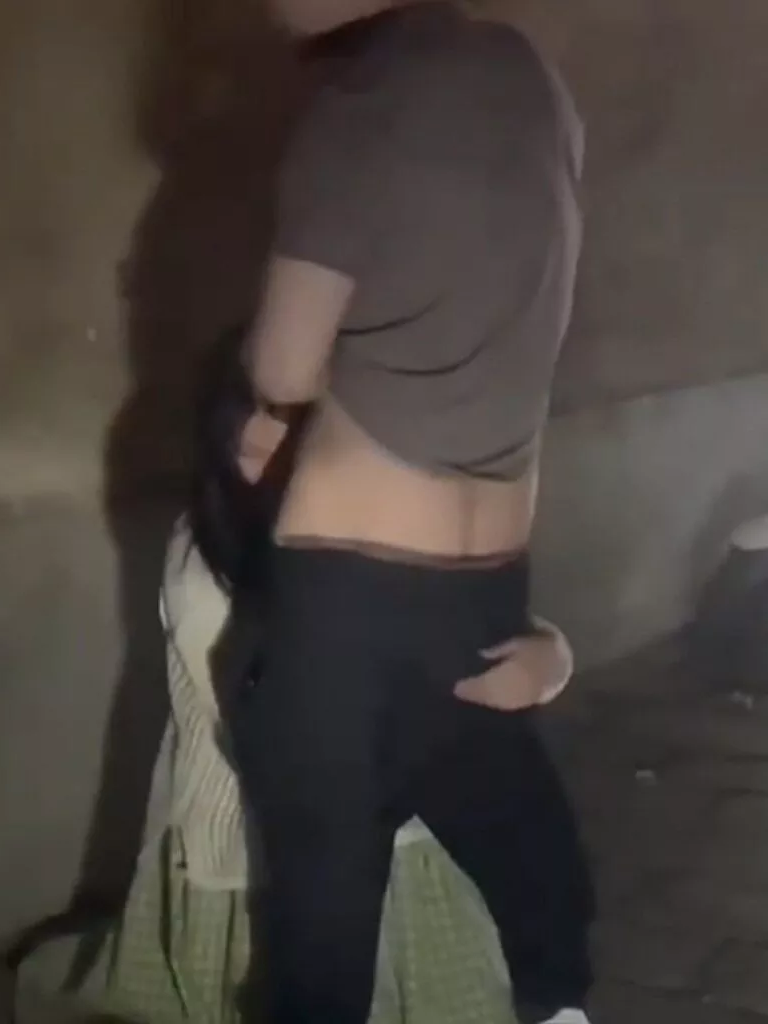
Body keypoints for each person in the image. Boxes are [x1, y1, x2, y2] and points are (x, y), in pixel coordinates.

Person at [15, 332, 576, 1024]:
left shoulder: (384, 528)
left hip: (399, 837)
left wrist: (547, 659)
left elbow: (487, 638)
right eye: (254, 429)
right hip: (258, 845)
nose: (272, 458)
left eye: (299, 431)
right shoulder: (204, 557)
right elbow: (277, 723)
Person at [231, 1, 595, 1023]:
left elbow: (283, 364)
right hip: (487, 586)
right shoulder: (531, 82)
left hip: (351, 586)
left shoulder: (361, 103)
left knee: (324, 929)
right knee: (537, 896)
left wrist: (266, 413)